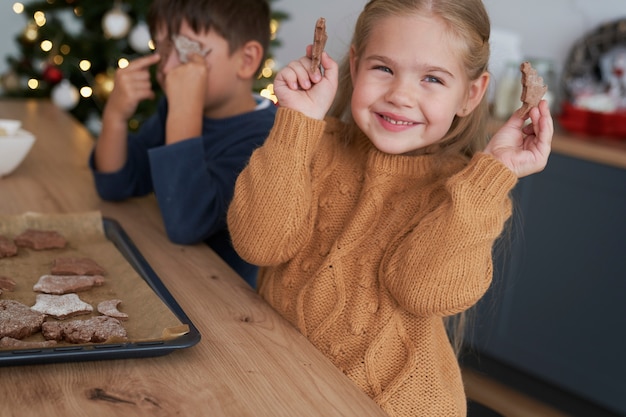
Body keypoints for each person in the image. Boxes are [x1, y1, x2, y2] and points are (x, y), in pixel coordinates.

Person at [227, 0, 553, 415]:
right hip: (278, 377)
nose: (400, 95)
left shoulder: (467, 191)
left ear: (470, 94)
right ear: (356, 64)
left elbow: (422, 290)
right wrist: (296, 123)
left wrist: (494, 176)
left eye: (432, 78)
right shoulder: (312, 142)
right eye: (383, 69)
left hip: (392, 404)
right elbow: (259, 244)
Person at [90, 0, 276, 288]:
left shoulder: (267, 138)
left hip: (224, 303)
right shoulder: (174, 108)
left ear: (247, 59)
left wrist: (183, 110)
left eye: (188, 51)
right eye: (163, 50)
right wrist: (114, 117)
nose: (168, 68)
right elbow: (116, 184)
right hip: (168, 272)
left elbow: (188, 224)